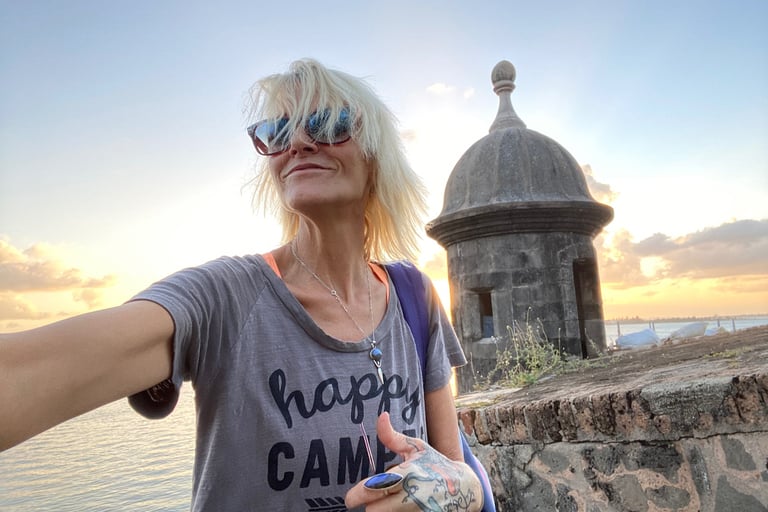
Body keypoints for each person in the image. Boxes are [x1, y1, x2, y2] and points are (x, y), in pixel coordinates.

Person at [0, 58, 484, 511]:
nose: (297, 142)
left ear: (376, 155)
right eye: (277, 132)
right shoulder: (223, 298)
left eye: (326, 123)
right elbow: (26, 375)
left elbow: (457, 474)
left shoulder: (415, 297)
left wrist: (446, 486)